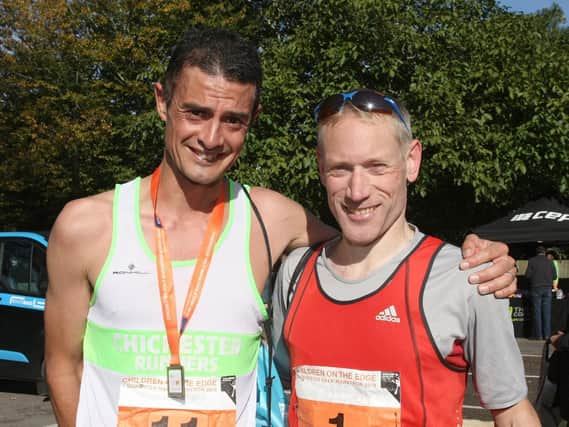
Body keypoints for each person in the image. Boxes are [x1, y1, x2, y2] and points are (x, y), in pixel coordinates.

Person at [45, 29, 517, 427]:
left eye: (232, 120)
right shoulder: (86, 226)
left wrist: (474, 260)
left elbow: (373, 240)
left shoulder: (272, 218)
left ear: (253, 121)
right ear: (162, 101)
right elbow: (63, 366)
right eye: (196, 112)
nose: (212, 138)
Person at [272, 89, 540, 426]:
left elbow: (512, 412)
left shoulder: (467, 276)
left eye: (376, 167)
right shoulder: (295, 272)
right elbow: (282, 392)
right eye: (341, 169)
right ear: (320, 167)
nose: (358, 191)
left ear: (411, 161)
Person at [526, 245, 558, 340]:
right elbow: (555, 276)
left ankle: (538, 335)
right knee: (547, 313)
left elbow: (527, 275)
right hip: (547, 288)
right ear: (545, 253)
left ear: (537, 252)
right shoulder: (550, 262)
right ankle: (547, 335)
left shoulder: (532, 261)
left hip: (536, 288)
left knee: (537, 312)